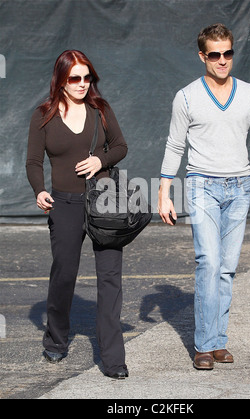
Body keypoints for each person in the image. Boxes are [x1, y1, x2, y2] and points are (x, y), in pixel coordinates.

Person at [158, 24, 250, 370]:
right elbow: (174, 146)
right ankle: (204, 346)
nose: (223, 60)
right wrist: (164, 194)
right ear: (202, 56)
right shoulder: (186, 97)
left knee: (226, 269)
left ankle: (218, 341)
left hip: (240, 186)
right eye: (215, 54)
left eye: (228, 53)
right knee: (208, 261)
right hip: (201, 186)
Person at [26, 50, 129, 379]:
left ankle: (114, 360)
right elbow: (32, 161)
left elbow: (120, 146)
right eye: (75, 78)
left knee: (110, 279)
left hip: (103, 201)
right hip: (64, 205)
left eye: (88, 77)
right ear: (61, 80)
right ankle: (56, 340)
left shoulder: (101, 109)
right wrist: (39, 190)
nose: (83, 84)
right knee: (64, 274)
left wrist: (101, 161)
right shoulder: (43, 115)